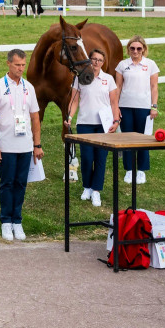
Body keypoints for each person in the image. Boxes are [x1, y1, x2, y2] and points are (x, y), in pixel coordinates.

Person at [0, 49, 42, 241]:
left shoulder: (29, 87)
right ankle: (6, 221)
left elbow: (35, 117)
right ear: (8, 64)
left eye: (23, 65)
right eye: (17, 65)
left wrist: (37, 144)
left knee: (21, 183)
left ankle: (17, 220)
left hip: (25, 146)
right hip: (6, 145)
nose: (21, 68)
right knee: (7, 183)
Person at [65, 48, 119, 208]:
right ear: (89, 60)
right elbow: (74, 100)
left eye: (99, 60)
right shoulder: (80, 78)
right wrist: (69, 117)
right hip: (84, 123)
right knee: (87, 158)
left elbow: (114, 102)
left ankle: (96, 190)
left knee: (100, 159)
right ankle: (87, 187)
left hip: (103, 124)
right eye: (93, 59)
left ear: (103, 63)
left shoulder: (108, 79)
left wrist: (115, 121)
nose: (96, 62)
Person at [115, 35, 159, 184]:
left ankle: (141, 170)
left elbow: (154, 87)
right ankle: (129, 170)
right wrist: (115, 107)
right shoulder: (122, 65)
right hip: (125, 106)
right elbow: (118, 87)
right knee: (127, 138)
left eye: (139, 48)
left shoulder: (150, 64)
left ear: (144, 49)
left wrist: (154, 106)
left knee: (143, 138)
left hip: (143, 107)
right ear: (128, 49)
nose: (135, 51)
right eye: (132, 48)